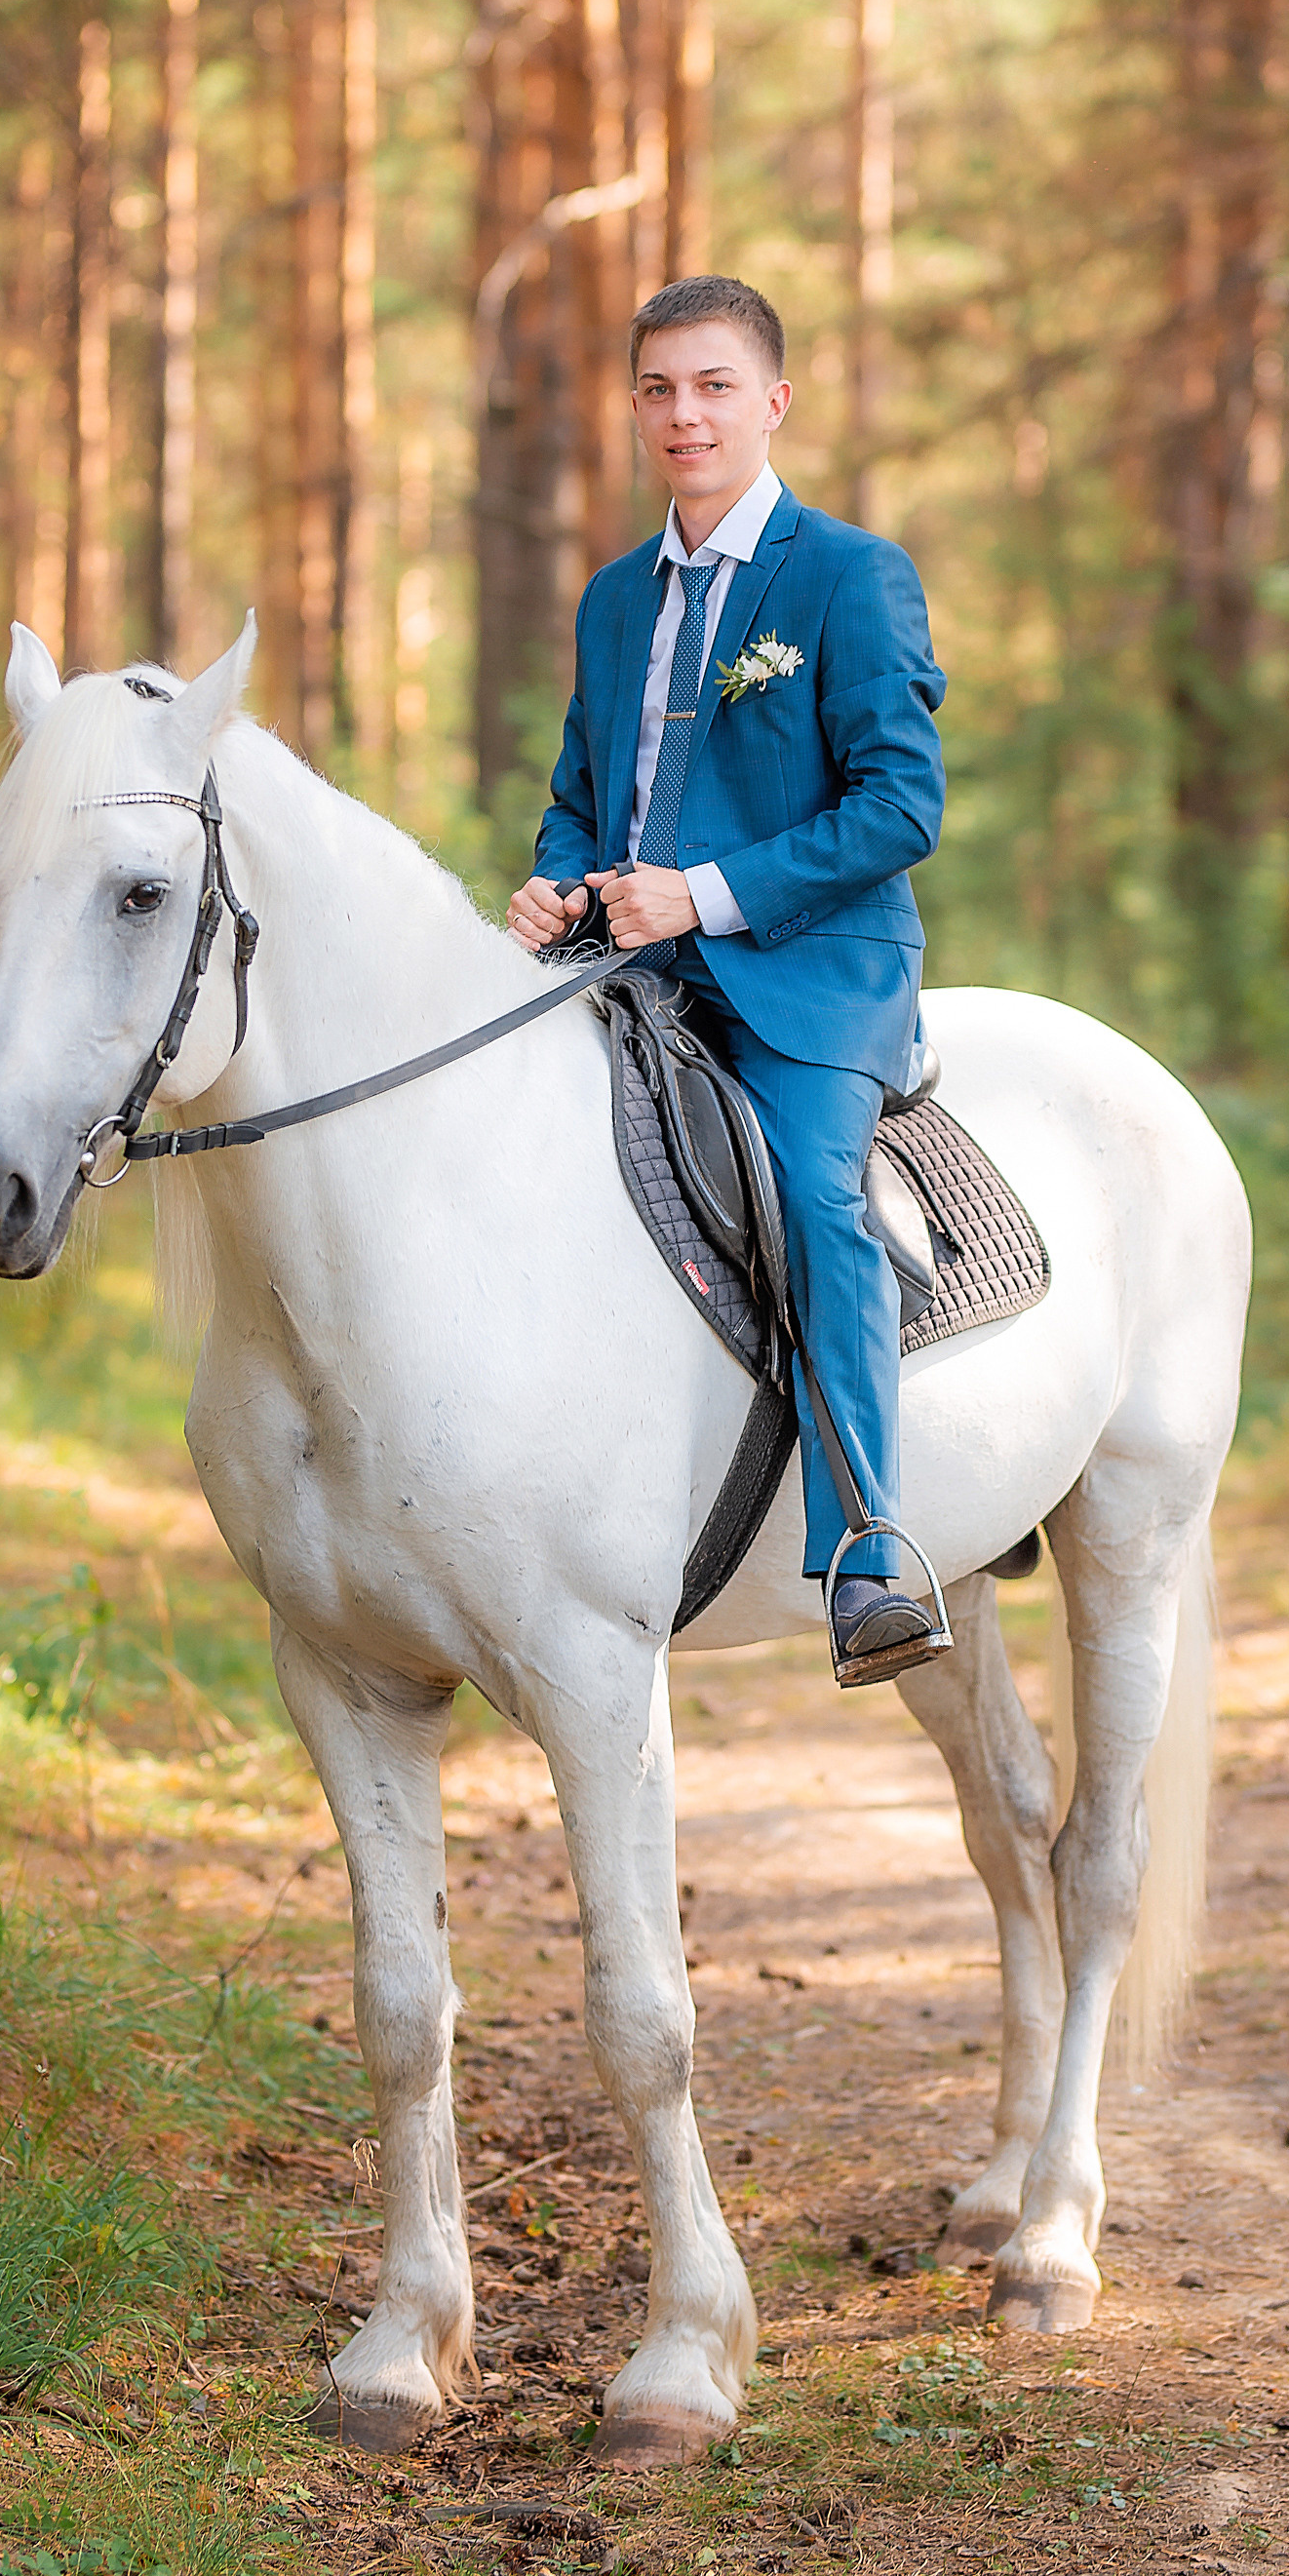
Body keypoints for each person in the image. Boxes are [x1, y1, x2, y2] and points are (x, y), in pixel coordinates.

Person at [506, 274, 953, 1687]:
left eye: (711, 386)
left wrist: (700, 893)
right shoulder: (609, 601)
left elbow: (901, 809)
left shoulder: (846, 575)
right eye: (656, 389)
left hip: (813, 972)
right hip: (630, 962)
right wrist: (558, 880)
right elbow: (586, 795)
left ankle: (870, 1546)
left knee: (816, 1195)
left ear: (772, 402)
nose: (682, 414)